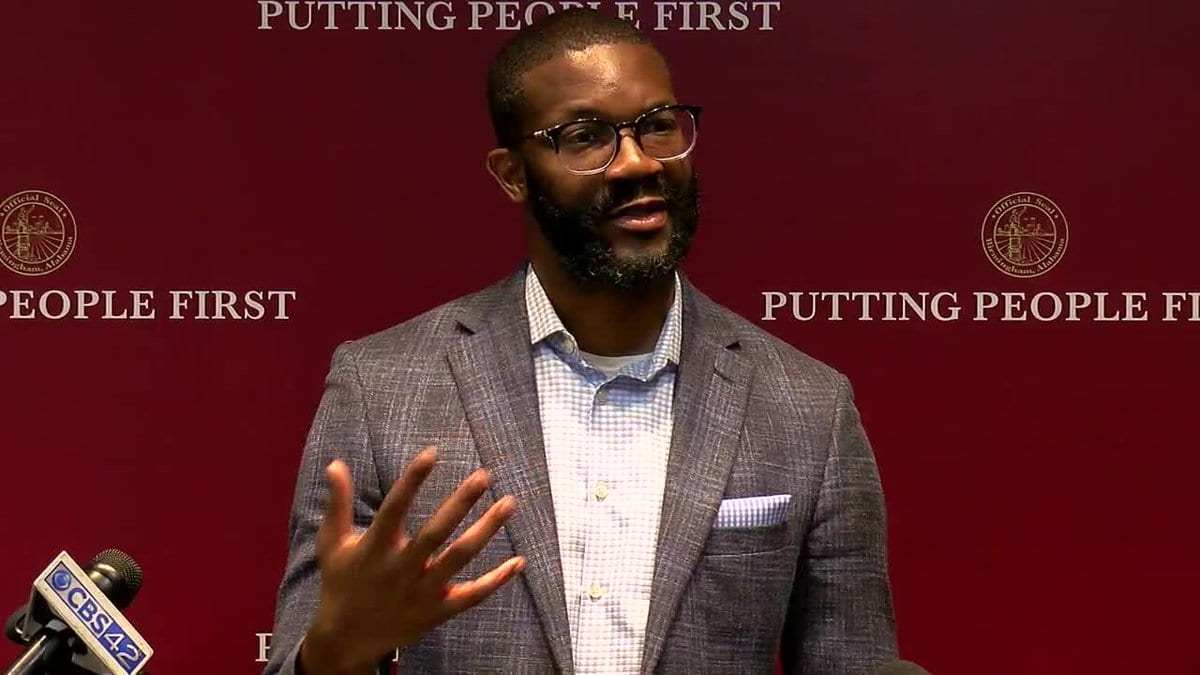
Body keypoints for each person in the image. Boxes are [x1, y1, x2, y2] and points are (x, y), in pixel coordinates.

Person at [265, 8, 896, 675]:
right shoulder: (380, 388)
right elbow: (302, 658)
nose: (635, 162)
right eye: (586, 136)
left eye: (657, 126)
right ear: (512, 173)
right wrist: (336, 653)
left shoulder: (810, 409)